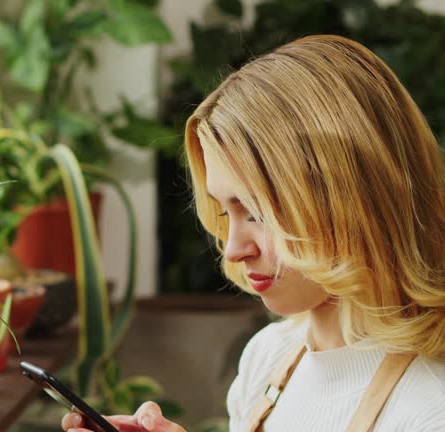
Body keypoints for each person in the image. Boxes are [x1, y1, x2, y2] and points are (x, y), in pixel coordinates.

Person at [61, 34, 445, 432]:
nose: (232, 250)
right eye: (226, 213)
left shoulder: (429, 408)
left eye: (257, 213)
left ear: (352, 200)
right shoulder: (268, 356)